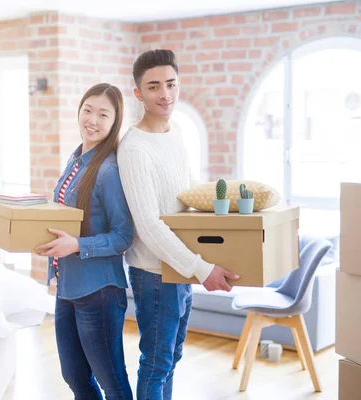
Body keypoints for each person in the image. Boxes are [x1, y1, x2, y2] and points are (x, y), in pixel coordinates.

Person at [117, 49, 240, 400]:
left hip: (180, 269)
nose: (165, 94)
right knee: (157, 362)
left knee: (171, 358)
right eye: (154, 87)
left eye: (171, 84)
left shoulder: (177, 133)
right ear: (138, 93)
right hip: (154, 273)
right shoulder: (135, 148)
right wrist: (202, 268)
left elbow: (187, 196)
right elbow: (148, 225)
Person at [35, 83, 134, 400]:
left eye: (103, 114)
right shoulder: (76, 159)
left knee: (112, 382)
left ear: (114, 122)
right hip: (68, 288)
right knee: (74, 376)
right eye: (88, 110)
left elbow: (124, 236)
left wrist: (77, 245)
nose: (92, 119)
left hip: (100, 292)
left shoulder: (108, 170)